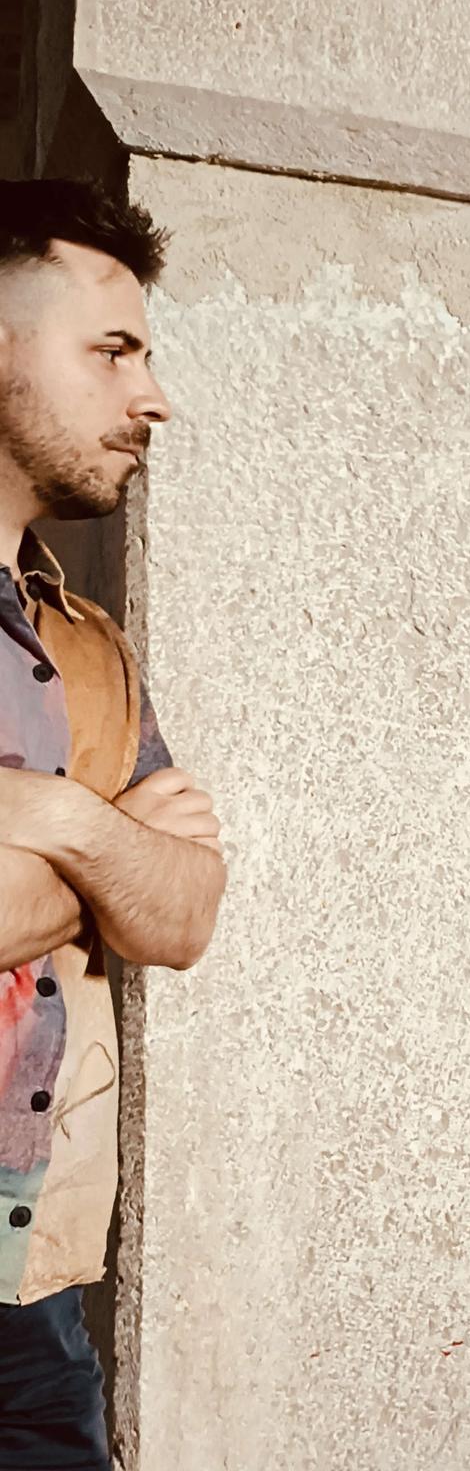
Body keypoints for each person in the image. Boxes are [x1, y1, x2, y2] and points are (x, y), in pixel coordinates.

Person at [0, 179, 227, 1469]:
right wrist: (118, 844)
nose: (154, 397)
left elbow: (185, 912)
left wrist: (58, 817)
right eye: (114, 350)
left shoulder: (84, 643)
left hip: (32, 1277)